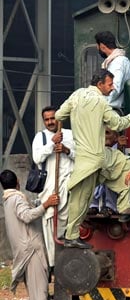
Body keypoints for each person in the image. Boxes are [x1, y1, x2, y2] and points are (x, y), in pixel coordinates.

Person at [55, 70, 130, 248]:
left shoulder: (77, 95)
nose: (113, 88)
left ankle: (123, 208)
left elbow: (58, 116)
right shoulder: (101, 102)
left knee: (121, 164)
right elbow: (117, 124)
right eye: (110, 84)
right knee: (123, 165)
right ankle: (72, 235)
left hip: (85, 157)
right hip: (96, 156)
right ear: (100, 84)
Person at [1, 169, 58, 300]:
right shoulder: (17, 197)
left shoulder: (7, 199)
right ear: (18, 181)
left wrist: (39, 203)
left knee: (37, 289)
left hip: (24, 250)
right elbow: (26, 216)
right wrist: (45, 205)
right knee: (39, 289)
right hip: (31, 250)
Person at [32, 106, 75, 267]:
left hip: (69, 188)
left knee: (69, 228)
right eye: (47, 119)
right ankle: (53, 265)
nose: (50, 122)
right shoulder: (41, 137)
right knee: (51, 229)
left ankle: (68, 263)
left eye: (52, 118)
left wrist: (66, 149)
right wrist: (52, 143)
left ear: (59, 119)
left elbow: (80, 157)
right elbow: (37, 158)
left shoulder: (70, 134)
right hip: (50, 191)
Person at [95, 31, 130, 111]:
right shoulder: (119, 61)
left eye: (97, 46)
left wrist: (97, 104)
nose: (97, 48)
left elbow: (114, 88)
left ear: (102, 47)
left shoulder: (117, 63)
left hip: (112, 109)